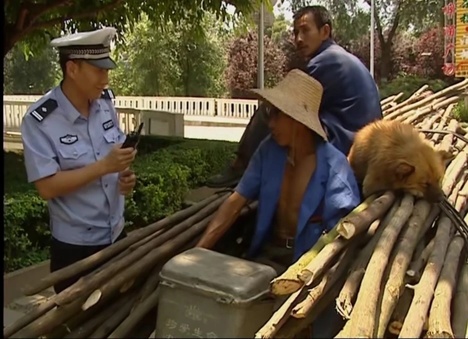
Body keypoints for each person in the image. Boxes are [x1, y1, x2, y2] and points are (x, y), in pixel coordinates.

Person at [196, 69, 360, 270]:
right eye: (269, 113)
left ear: (298, 120)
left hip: (307, 265)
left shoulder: (335, 170)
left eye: (277, 114)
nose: (270, 123)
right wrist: (197, 251)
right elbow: (235, 201)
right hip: (266, 254)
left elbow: (341, 240)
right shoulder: (269, 150)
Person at [207, 5, 382, 188]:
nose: (299, 39)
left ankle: (240, 167)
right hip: (360, 141)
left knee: (271, 110)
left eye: (305, 30)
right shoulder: (338, 56)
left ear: (325, 31)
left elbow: (288, 105)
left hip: (347, 145)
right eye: (296, 32)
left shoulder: (326, 61)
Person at [21, 27, 137, 294]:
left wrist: (123, 173)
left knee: (122, 316)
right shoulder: (40, 120)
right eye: (99, 71)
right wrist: (104, 167)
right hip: (76, 249)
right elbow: (46, 187)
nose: (106, 79)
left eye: (107, 70)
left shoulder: (105, 102)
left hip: (116, 235)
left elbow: (112, 152)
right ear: (72, 69)